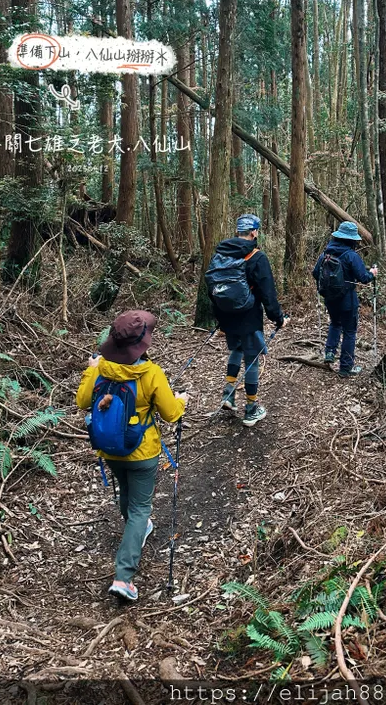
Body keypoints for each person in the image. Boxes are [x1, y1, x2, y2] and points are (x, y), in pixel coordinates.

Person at [76, 310, 187, 602]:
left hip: (109, 449)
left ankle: (139, 530)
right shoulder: (151, 374)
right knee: (139, 509)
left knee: (127, 494)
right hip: (143, 452)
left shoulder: (100, 369)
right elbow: (171, 414)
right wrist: (182, 401)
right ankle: (124, 578)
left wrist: (91, 369)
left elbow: (82, 401)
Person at [207, 213, 287, 427]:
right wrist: (278, 318)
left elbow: (212, 286)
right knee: (252, 358)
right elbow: (267, 292)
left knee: (237, 351)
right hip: (248, 315)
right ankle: (251, 408)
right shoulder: (256, 256)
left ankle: (228, 394)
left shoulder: (221, 254)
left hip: (226, 315)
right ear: (254, 232)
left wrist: (219, 316)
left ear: (237, 232)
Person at [312, 221, 378, 377]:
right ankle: (346, 368)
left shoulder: (325, 254)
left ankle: (329, 352)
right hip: (348, 300)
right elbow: (363, 278)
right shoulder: (351, 256)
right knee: (349, 331)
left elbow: (315, 273)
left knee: (335, 324)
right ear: (351, 240)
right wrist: (373, 273)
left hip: (329, 299)